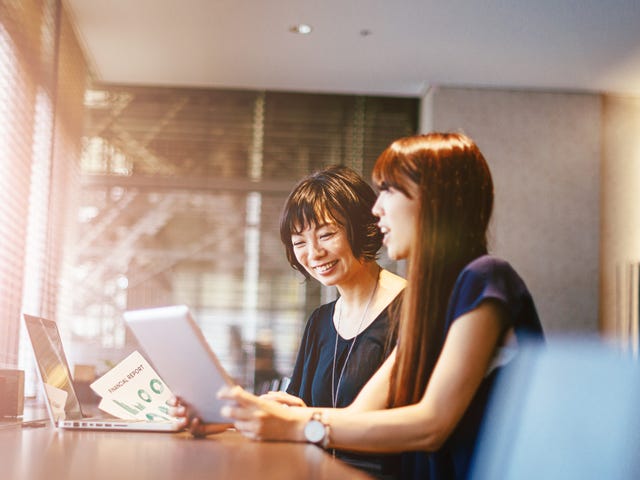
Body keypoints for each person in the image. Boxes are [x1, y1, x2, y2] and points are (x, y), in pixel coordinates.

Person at [173, 133, 544, 480]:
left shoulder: (485, 278)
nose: (377, 209)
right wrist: (233, 416)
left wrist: (293, 423)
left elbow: (431, 425)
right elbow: (356, 417)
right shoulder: (434, 301)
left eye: (389, 191)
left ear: (435, 199)